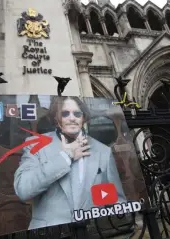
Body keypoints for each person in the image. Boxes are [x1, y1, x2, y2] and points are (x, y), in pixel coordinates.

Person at [14, 96, 126, 229]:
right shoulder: (35, 145)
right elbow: (23, 190)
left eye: (77, 113)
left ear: (83, 117)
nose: (72, 118)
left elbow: (116, 201)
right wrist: (66, 157)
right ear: (56, 118)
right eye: (65, 113)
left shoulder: (103, 151)